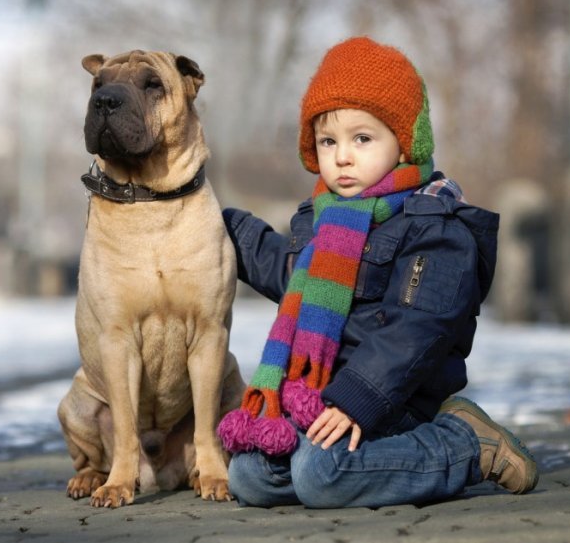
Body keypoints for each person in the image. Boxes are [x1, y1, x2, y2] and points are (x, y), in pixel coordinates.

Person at [217, 36, 538, 509]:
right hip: (323, 401)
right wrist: (219, 224)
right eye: (328, 141)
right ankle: (330, 459)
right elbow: (288, 274)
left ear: (405, 142)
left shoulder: (433, 225)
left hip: (396, 399)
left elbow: (418, 329)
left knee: (320, 476)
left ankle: (465, 444)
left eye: (361, 139)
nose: (342, 156)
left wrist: (358, 399)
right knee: (249, 476)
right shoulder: (325, 219)